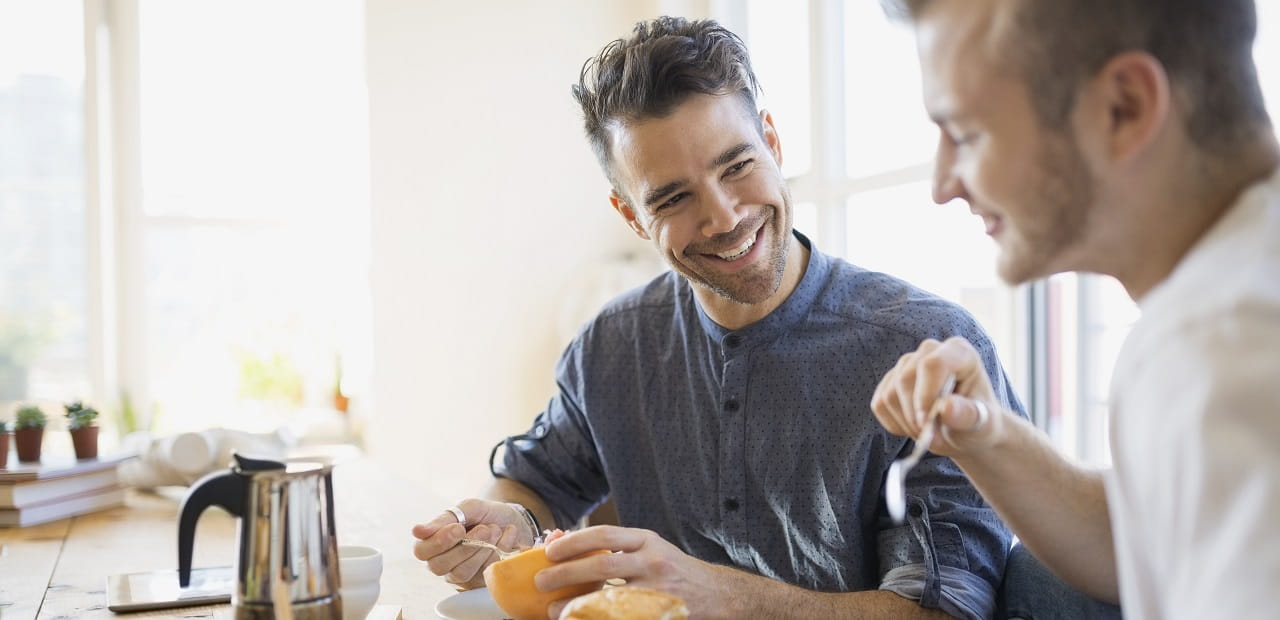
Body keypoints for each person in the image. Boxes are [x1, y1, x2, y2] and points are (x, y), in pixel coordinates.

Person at [413, 17, 1025, 619]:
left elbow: (950, 613)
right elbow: (534, 482)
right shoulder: (611, 345)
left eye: (736, 166)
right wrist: (511, 523)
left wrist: (720, 597)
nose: (725, 217)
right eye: (673, 198)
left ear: (773, 143)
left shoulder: (926, 348)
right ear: (631, 216)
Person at [871, 2, 1280, 619]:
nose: (942, 185)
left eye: (968, 135)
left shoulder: (1220, 349)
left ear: (1124, 108)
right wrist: (986, 435)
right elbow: (1141, 540)